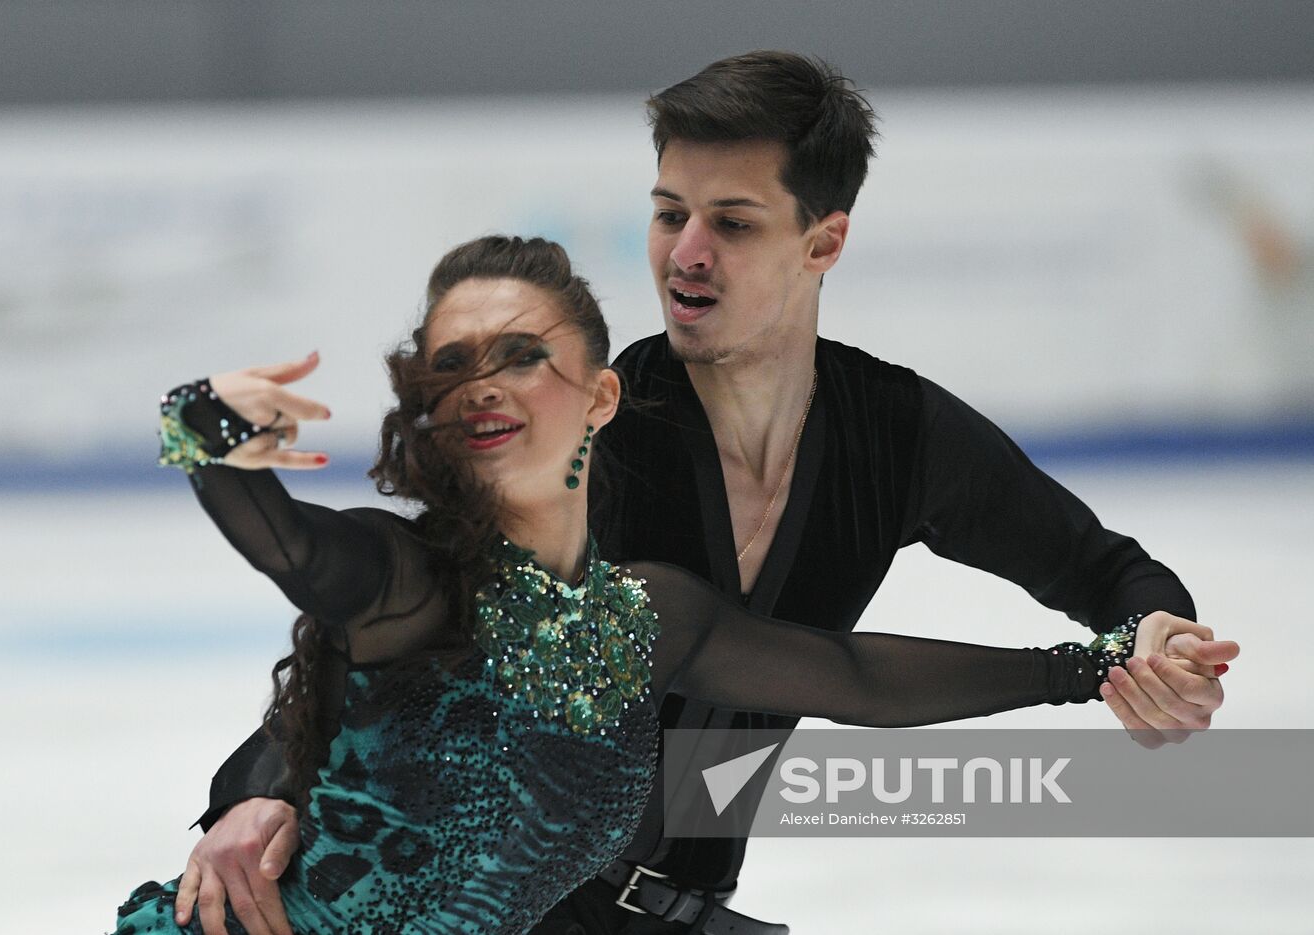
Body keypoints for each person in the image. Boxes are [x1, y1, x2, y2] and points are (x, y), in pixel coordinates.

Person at [177, 53, 1239, 935]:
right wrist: (257, 786)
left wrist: (1152, 647)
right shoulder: (595, 415)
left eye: (730, 222)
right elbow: (395, 611)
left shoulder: (897, 435)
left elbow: (1099, 570)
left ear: (820, 241)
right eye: (667, 212)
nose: (684, 254)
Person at [114, 235, 1148, 935]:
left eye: (523, 356)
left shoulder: (646, 613)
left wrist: (1089, 667)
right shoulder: (410, 580)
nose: (485, 382)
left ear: (601, 394)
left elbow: (851, 675)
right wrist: (205, 425)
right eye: (455, 364)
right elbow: (290, 546)